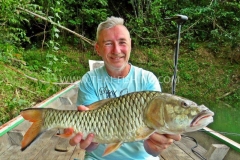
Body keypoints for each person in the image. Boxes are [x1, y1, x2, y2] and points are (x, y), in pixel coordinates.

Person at [69, 16, 181, 160]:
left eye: (122, 42)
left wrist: (156, 146)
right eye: (108, 43)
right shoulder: (90, 80)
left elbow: (152, 151)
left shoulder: (147, 80)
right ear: (98, 49)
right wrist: (85, 140)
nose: (117, 50)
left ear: (130, 45)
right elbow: (90, 146)